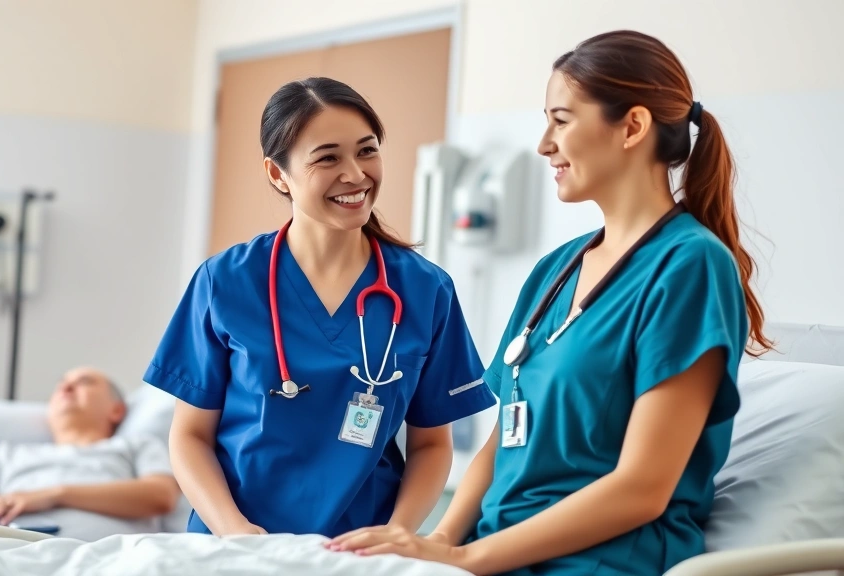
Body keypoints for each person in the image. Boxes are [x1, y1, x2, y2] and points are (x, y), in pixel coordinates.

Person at [326, 30, 773, 575]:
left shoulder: (689, 267)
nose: (544, 144)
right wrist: (439, 543)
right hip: (496, 553)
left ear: (632, 126)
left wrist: (468, 557)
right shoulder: (555, 272)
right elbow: (502, 442)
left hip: (603, 561)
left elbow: (643, 489)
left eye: (561, 120)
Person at [144, 77, 497, 538]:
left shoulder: (425, 290)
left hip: (362, 549)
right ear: (277, 174)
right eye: (328, 157)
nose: (355, 174)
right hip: (235, 547)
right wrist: (235, 532)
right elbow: (189, 437)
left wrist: (399, 532)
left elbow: (431, 444)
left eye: (367, 150)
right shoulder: (225, 281)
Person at [0, 366, 187, 541]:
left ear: (116, 410)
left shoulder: (135, 446)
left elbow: (161, 496)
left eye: (84, 382)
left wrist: (53, 495)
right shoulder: (6, 454)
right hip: (12, 555)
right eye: (61, 384)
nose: (66, 388)